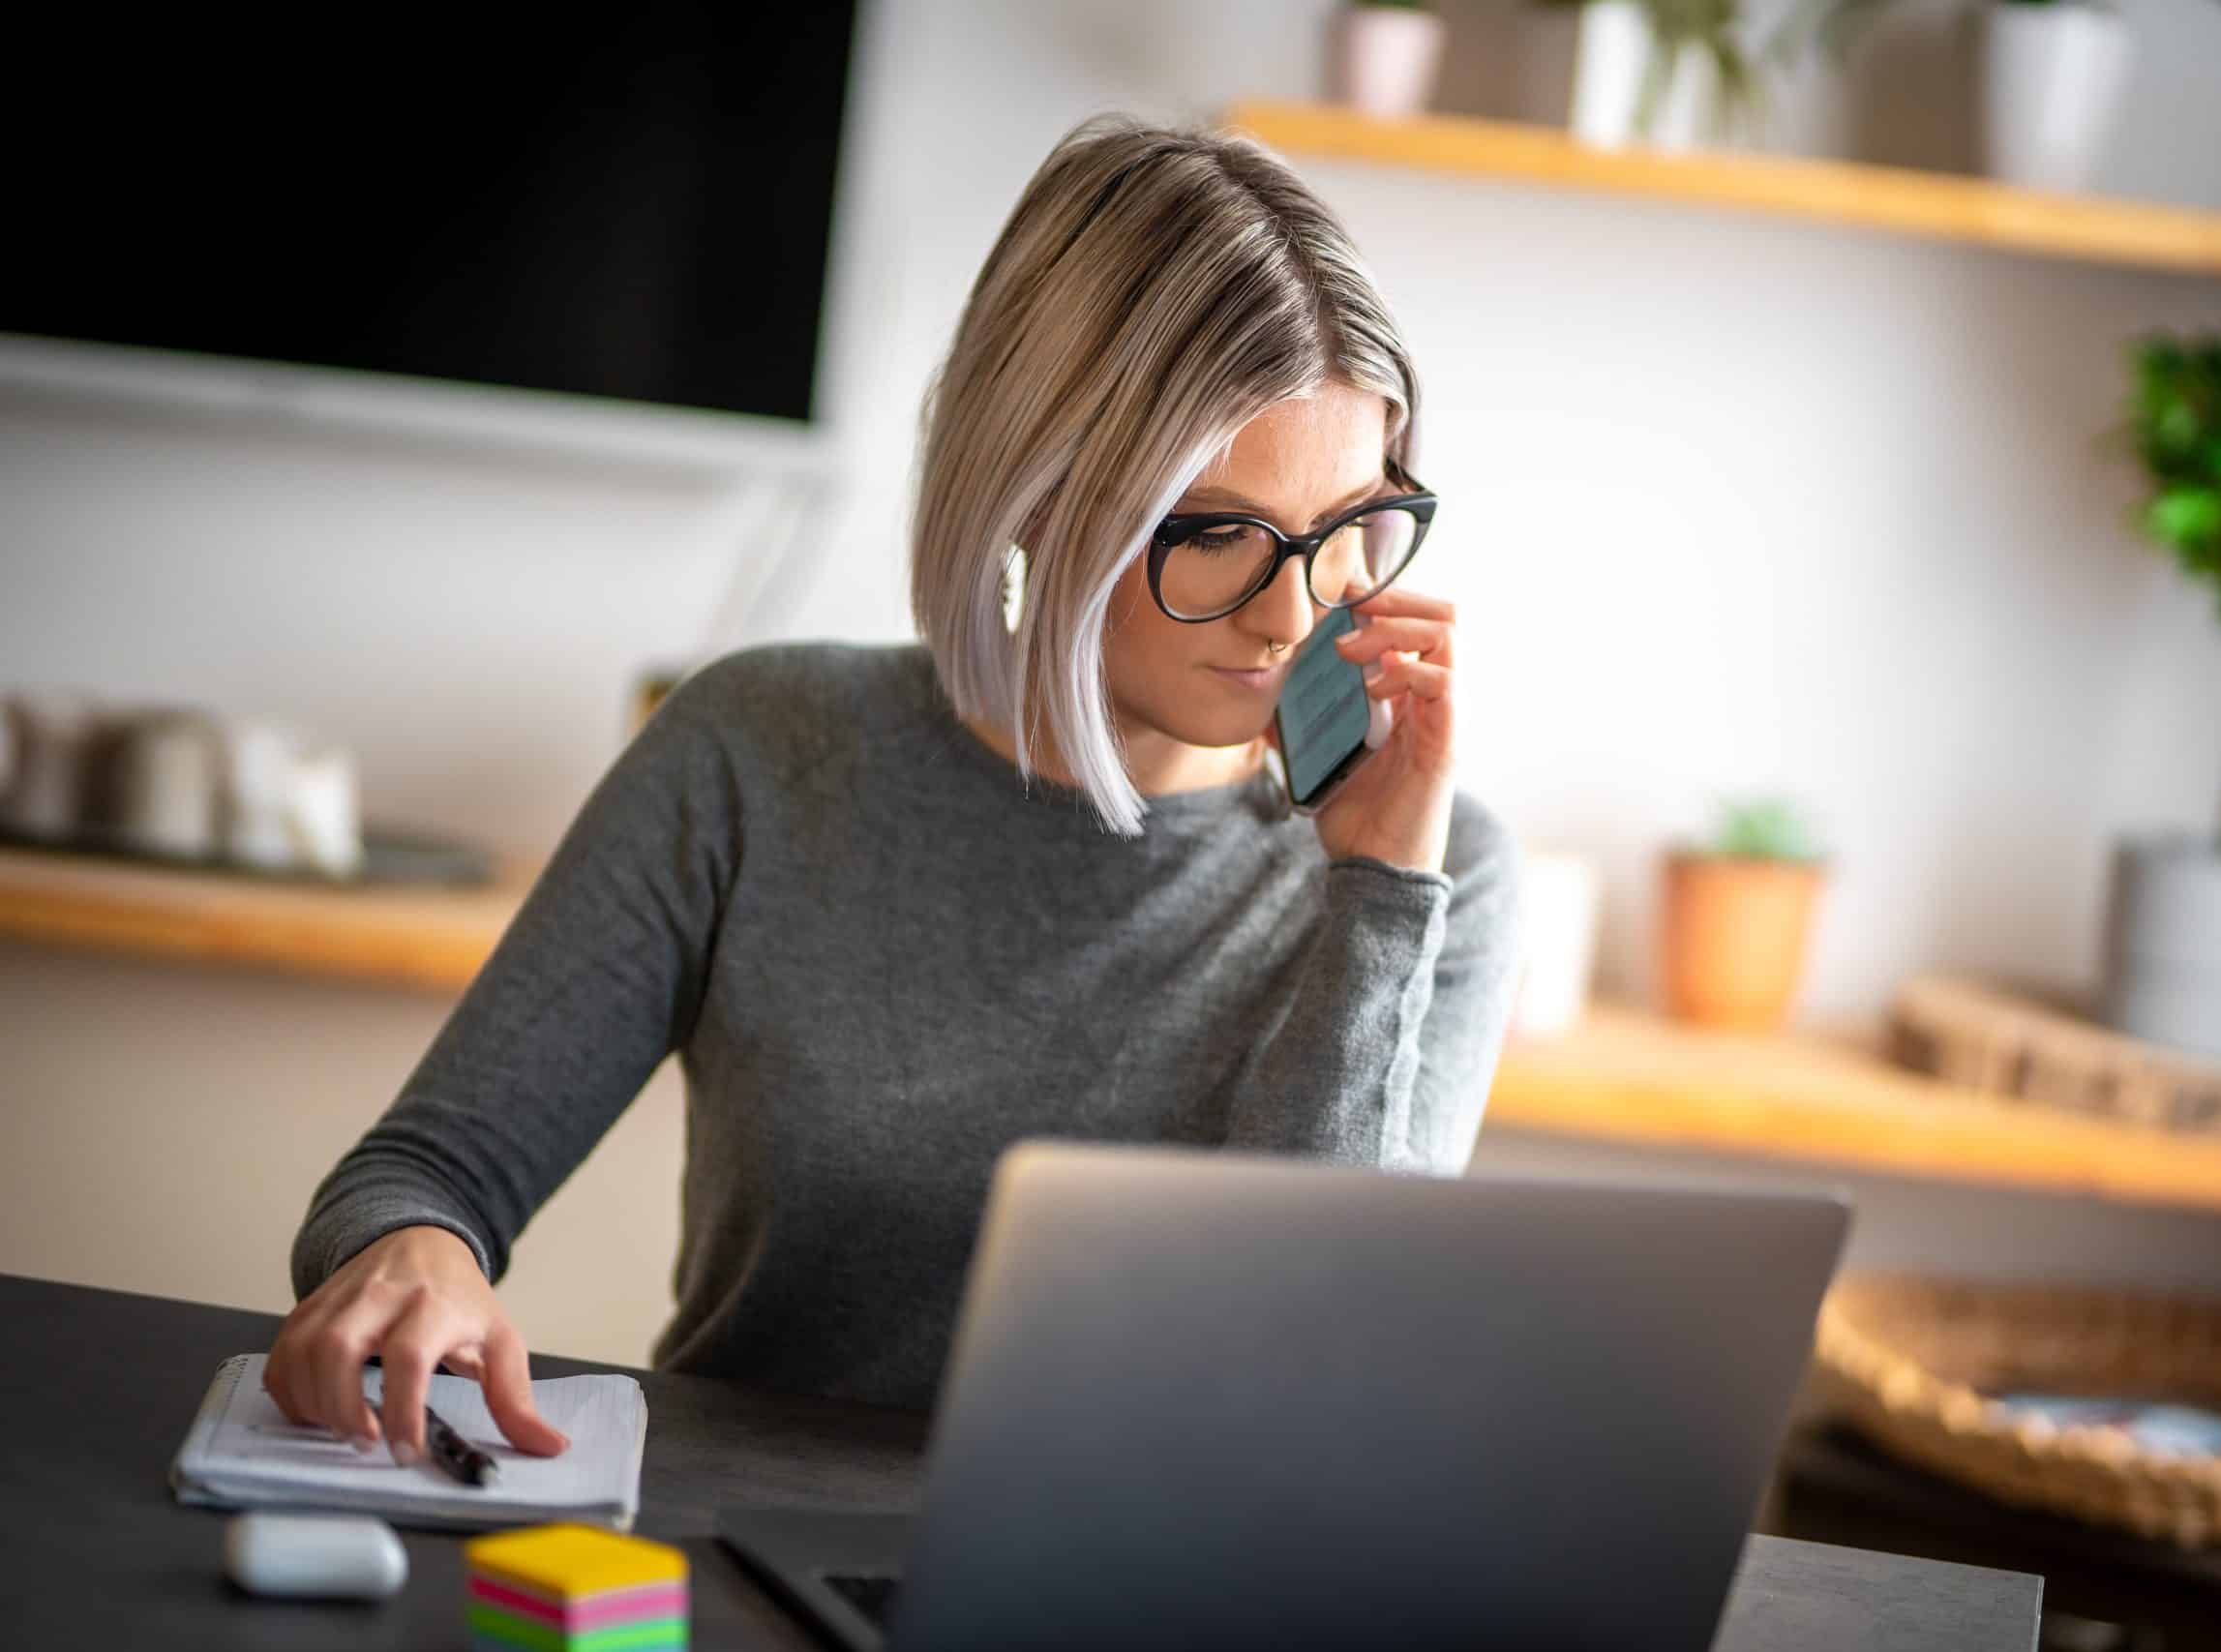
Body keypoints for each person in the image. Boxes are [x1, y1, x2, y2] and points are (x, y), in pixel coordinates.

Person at [266, 113, 1525, 1467]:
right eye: (1215, 532)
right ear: (1038, 492)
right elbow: (423, 1176)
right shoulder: (757, 752)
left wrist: (1383, 892)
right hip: (753, 1556)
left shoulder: (1431, 874)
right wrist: (417, 1258)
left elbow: (1314, 1373)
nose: (1292, 616)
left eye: (1346, 533)